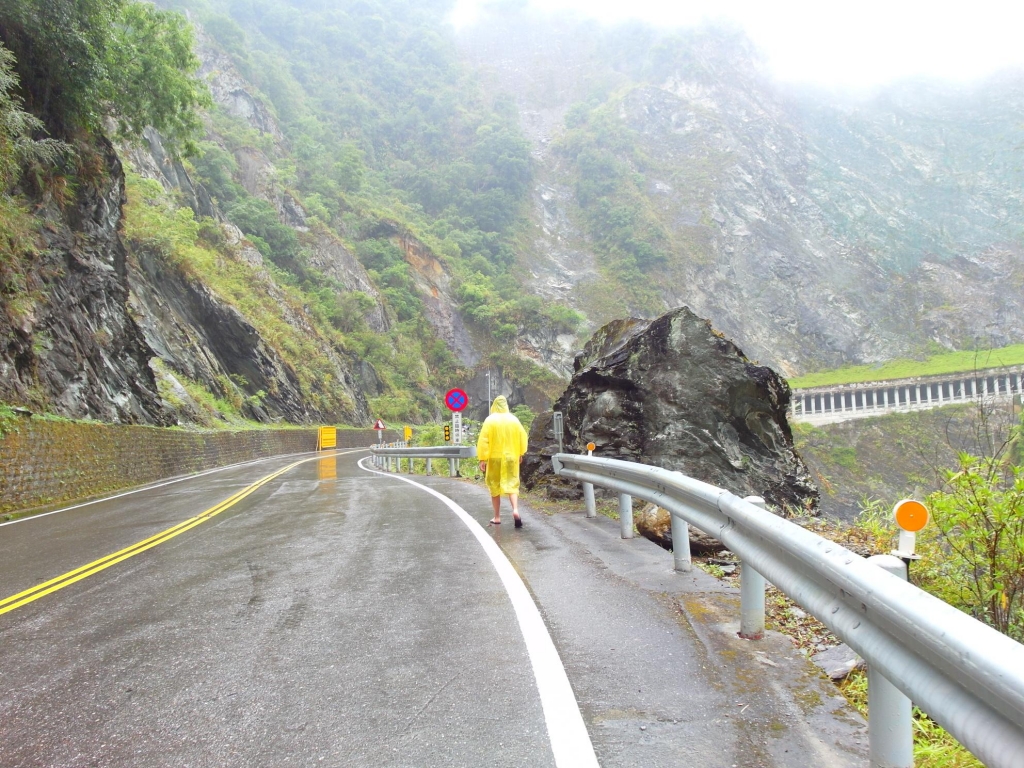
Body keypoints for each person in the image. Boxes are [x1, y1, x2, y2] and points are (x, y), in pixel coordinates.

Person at [476, 395, 529, 528]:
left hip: (494, 458)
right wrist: (520, 453)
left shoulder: (490, 420)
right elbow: (523, 437)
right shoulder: (514, 420)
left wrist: (482, 458)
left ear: (494, 405)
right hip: (511, 457)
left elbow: (484, 440)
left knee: (494, 485)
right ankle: (515, 510)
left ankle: (497, 517)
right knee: (512, 483)